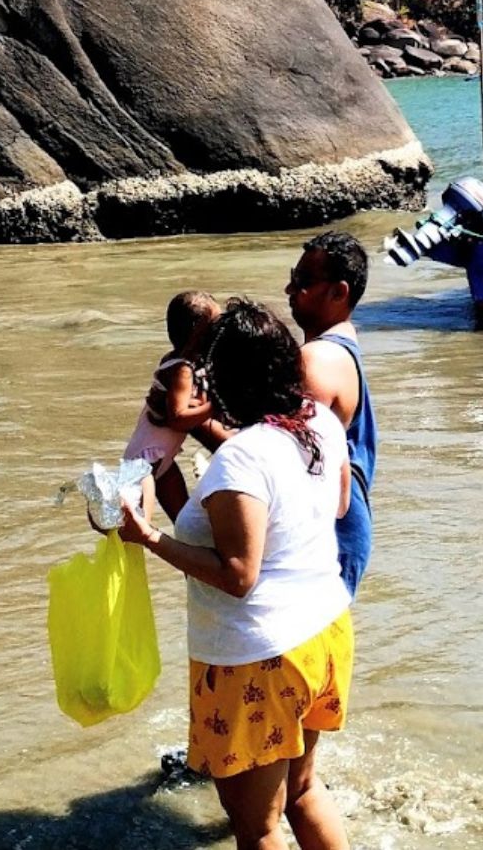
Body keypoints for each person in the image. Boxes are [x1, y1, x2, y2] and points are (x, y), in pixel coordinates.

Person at [116, 300, 353, 850]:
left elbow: (239, 574)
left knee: (258, 828)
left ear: (220, 380)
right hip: (325, 634)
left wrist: (149, 539)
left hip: (258, 659)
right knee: (302, 791)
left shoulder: (242, 459)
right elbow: (339, 503)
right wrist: (169, 467)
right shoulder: (318, 421)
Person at [284, 231, 377, 598]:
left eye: (303, 282)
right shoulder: (340, 349)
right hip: (341, 528)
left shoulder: (317, 359)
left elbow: (280, 455)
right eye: (294, 276)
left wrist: (196, 422)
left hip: (329, 537)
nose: (289, 289)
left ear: (339, 293)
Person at [124, 290, 223, 476]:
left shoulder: (177, 362)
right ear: (199, 335)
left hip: (162, 456)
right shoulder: (182, 370)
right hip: (146, 463)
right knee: (135, 504)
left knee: (182, 507)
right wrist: (215, 406)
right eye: (217, 327)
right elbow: (177, 419)